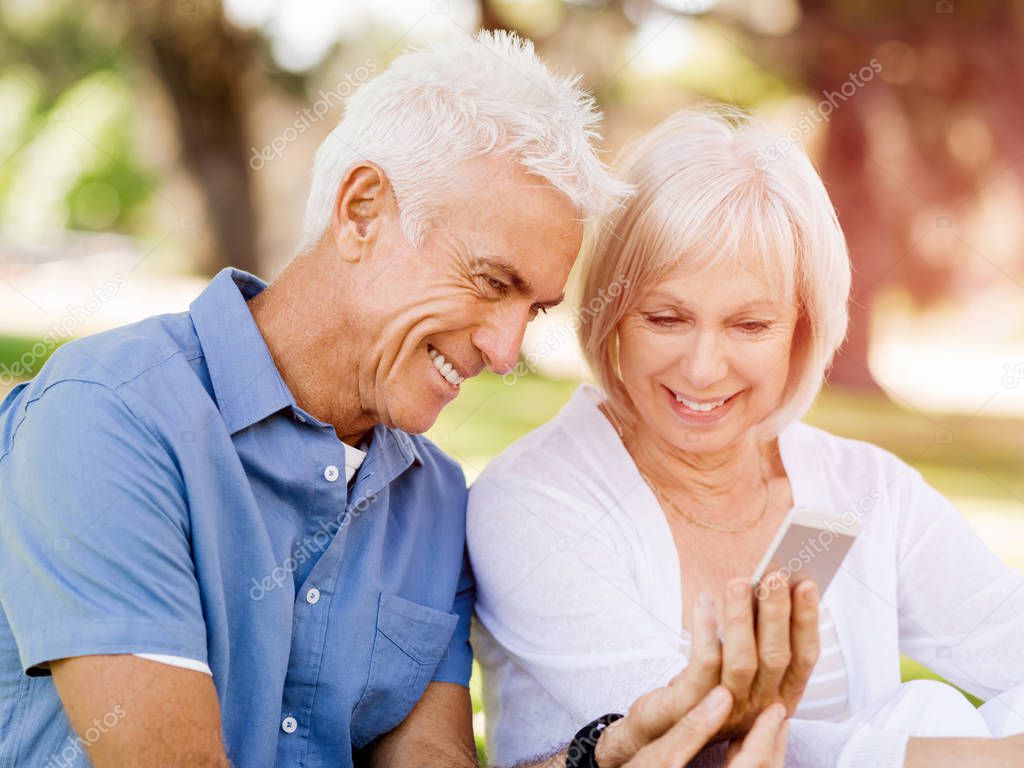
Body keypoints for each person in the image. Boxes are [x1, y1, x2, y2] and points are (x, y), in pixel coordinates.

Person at [0, 34, 806, 768]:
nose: (504, 349)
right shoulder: (111, 418)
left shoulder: (431, 496)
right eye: (492, 283)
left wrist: (607, 755)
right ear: (362, 211)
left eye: (532, 310)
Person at [467, 106, 1024, 767]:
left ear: (802, 328)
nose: (703, 369)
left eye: (750, 325)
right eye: (666, 317)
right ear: (612, 315)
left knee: (930, 711)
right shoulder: (533, 500)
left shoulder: (857, 489)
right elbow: (688, 736)